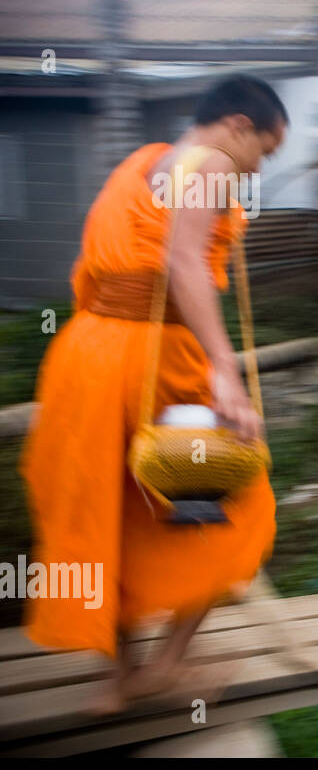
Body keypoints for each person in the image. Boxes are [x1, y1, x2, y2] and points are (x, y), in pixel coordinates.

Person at [21, 74, 286, 712]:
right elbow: (182, 259)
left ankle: (117, 680)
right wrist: (224, 367)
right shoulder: (217, 161)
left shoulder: (144, 163)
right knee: (237, 505)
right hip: (154, 357)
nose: (258, 167)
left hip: (86, 356)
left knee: (112, 513)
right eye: (267, 152)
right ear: (239, 126)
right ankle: (165, 664)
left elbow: (98, 269)